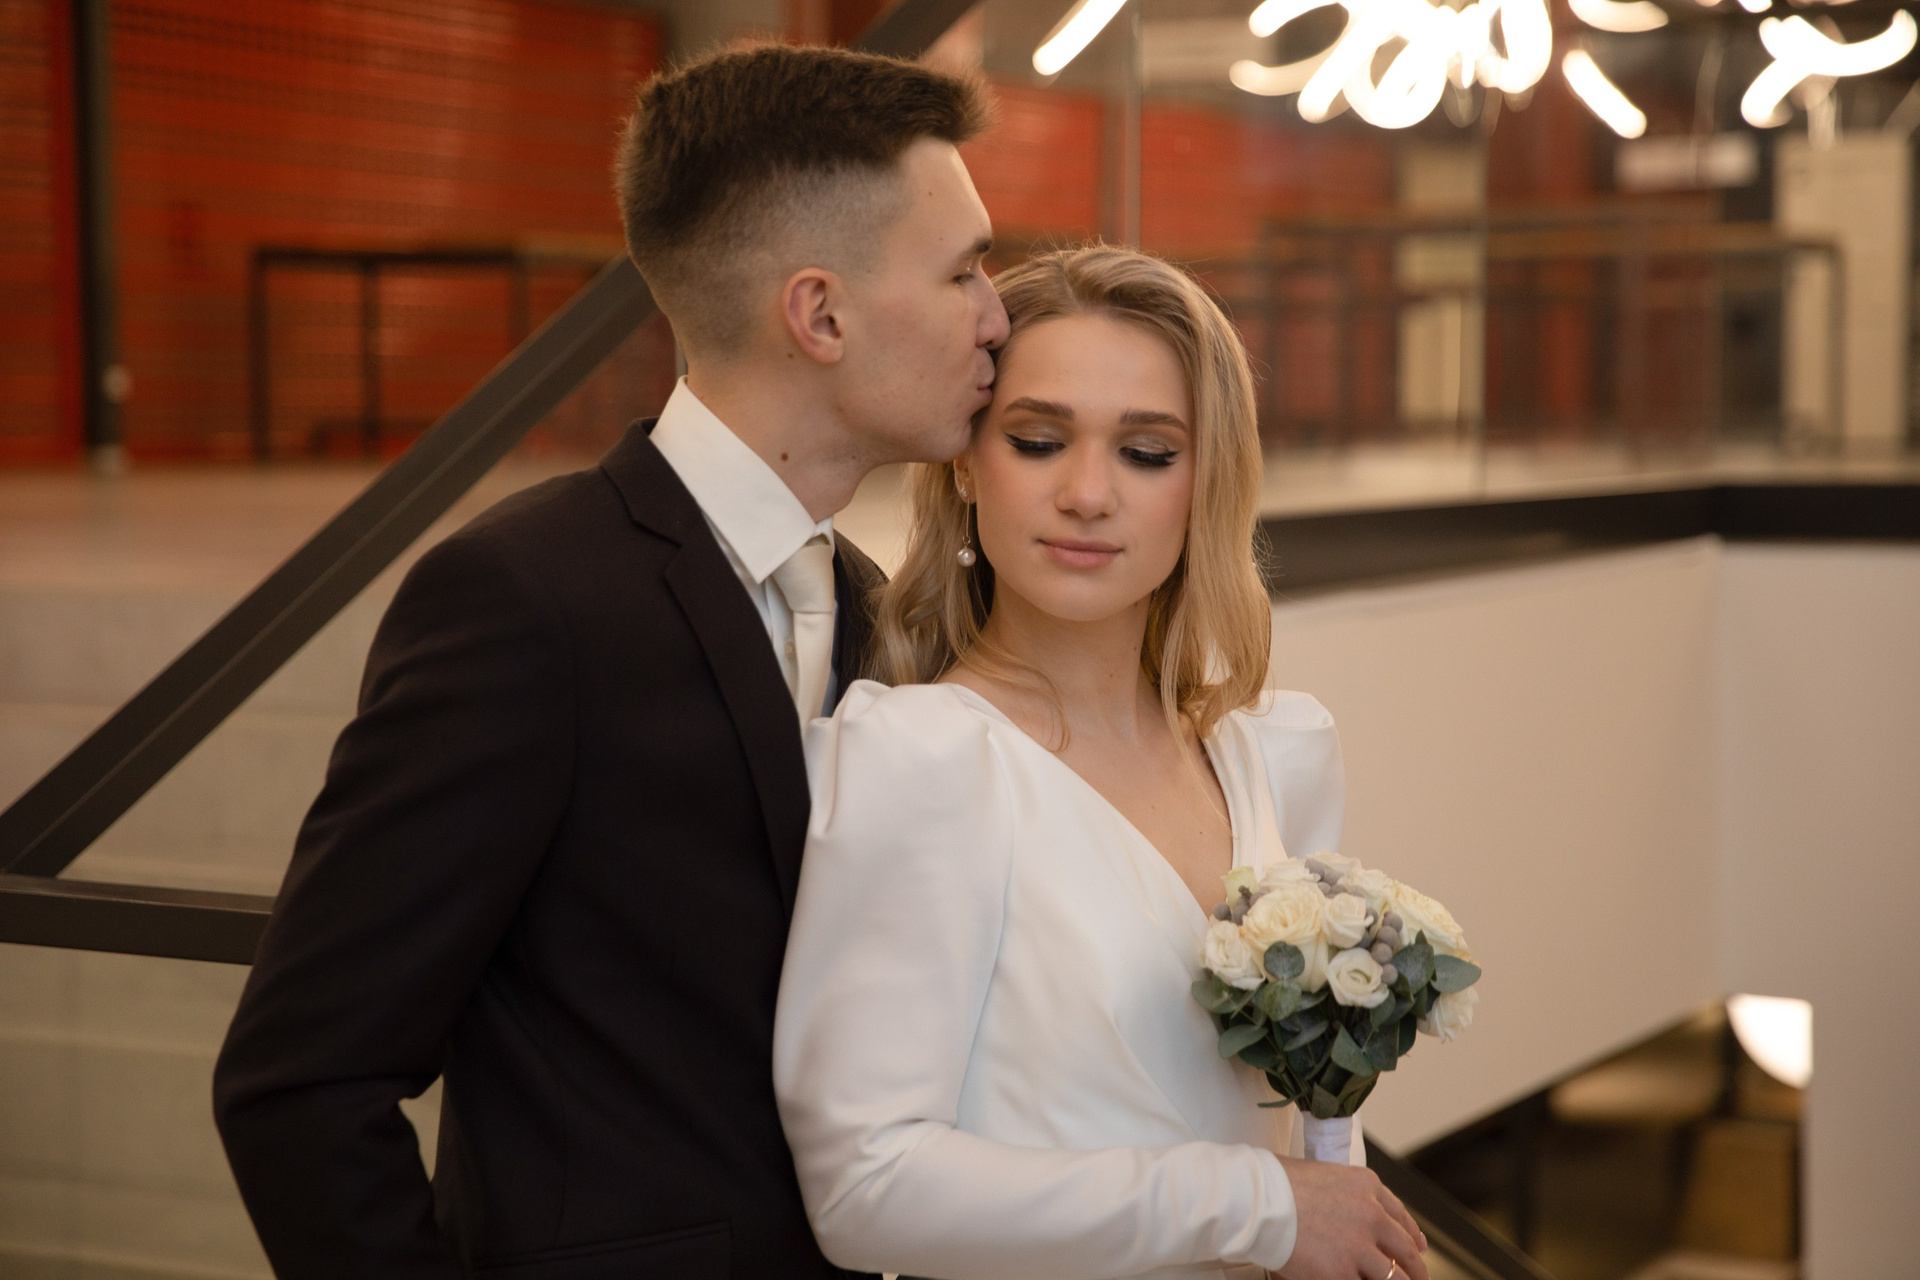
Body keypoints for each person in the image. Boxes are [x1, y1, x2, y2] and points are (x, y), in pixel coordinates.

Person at [211, 45, 1008, 1278]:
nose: (998, 315)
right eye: (963, 271)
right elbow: (300, 1080)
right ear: (820, 314)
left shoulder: (873, 602)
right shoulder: (522, 601)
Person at [774, 245, 1431, 1280]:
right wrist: (1253, 1206)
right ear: (965, 462)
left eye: (1147, 452)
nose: (1086, 493)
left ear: (1205, 482)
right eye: (1037, 441)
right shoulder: (922, 761)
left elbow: (1302, 1125)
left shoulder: (1277, 752)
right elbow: (866, 1184)